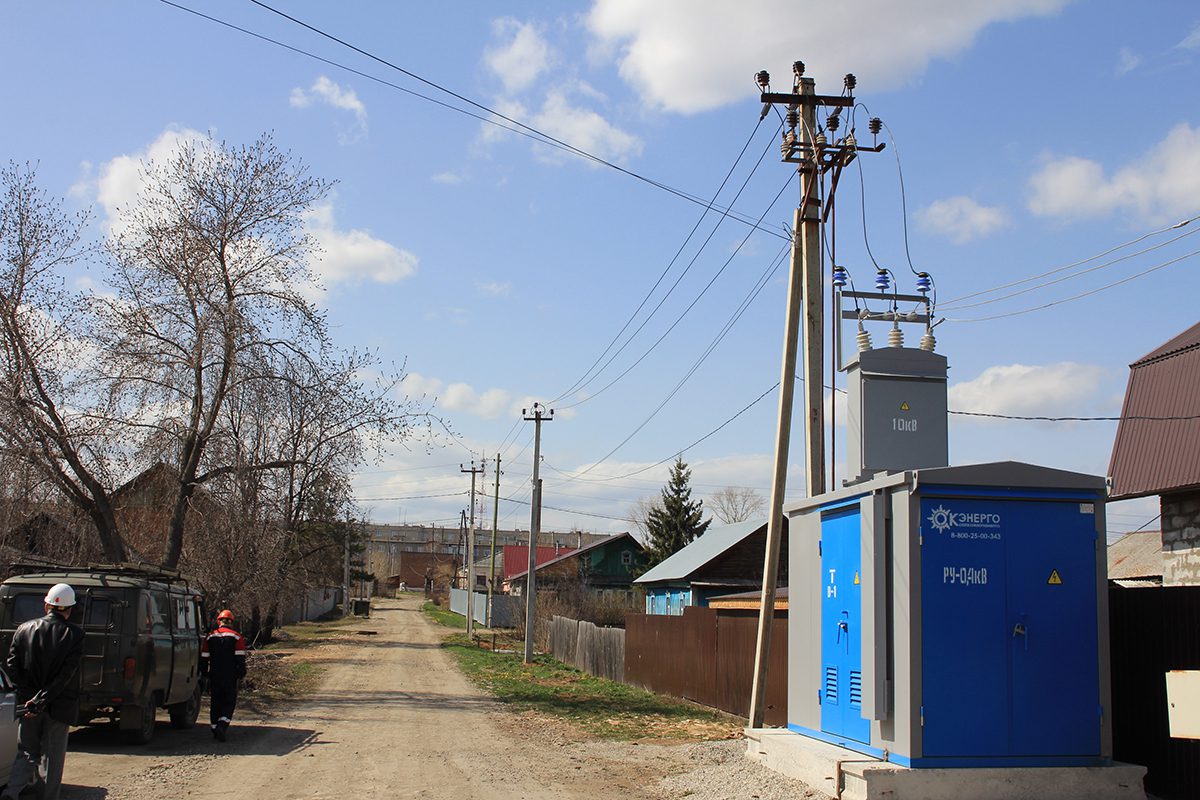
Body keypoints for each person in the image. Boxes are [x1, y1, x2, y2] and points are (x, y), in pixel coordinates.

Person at [1, 583, 85, 800]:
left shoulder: (24, 629)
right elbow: (66, 675)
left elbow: (12, 666)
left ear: (46, 604)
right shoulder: (74, 635)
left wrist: (28, 700)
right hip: (57, 706)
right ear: (70, 608)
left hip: (29, 705)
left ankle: (11, 793)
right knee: (53, 757)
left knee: (26, 752)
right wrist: (42, 699)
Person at [200, 609, 246, 742]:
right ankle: (222, 725)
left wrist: (205, 673)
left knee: (216, 701)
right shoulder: (237, 637)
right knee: (229, 701)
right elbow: (240, 658)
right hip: (230, 675)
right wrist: (241, 673)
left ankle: (214, 727)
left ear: (219, 621)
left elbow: (204, 657)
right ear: (231, 622)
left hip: (214, 674)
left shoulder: (210, 637)